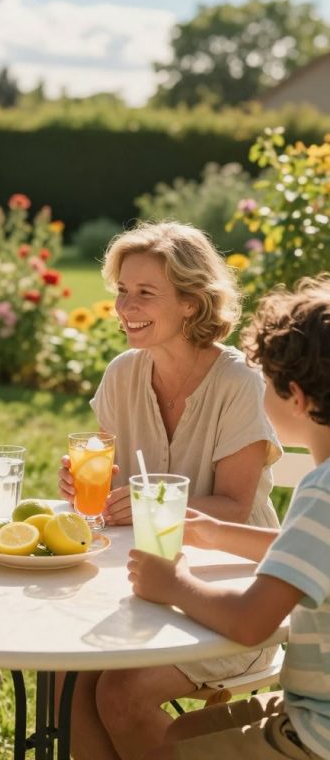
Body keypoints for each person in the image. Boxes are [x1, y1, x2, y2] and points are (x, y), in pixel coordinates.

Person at [58, 221, 282, 760]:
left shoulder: (239, 382)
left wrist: (137, 502)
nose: (125, 306)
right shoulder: (122, 375)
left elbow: (233, 504)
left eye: (145, 293)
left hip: (236, 591)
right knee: (71, 677)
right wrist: (81, 484)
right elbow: (109, 484)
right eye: (121, 291)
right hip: (141, 584)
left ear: (190, 303)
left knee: (120, 692)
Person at [132, 274, 330, 760]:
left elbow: (249, 622)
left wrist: (173, 584)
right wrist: (218, 534)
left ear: (298, 398)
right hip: (311, 707)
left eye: (265, 383)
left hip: (314, 730)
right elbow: (308, 553)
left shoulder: (322, 491)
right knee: (174, 736)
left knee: (170, 751)